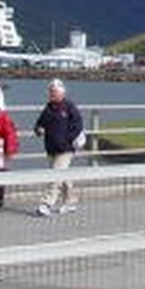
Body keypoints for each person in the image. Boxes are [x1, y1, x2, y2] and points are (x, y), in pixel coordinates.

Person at [33, 78, 84, 215]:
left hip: (65, 149)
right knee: (63, 176)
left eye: (54, 91)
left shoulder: (69, 106)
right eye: (50, 91)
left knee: (55, 176)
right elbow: (39, 124)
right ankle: (70, 202)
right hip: (51, 147)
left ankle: (46, 204)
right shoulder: (48, 107)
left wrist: (67, 140)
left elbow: (78, 125)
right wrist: (39, 130)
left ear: (62, 93)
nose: (51, 94)